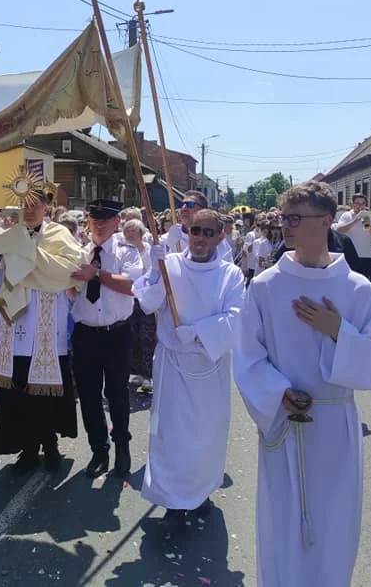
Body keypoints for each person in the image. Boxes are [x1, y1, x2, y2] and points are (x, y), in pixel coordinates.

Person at [234, 181, 371, 587]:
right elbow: (247, 356)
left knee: (333, 519)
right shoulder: (266, 286)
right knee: (284, 517)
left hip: (334, 423)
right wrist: (278, 394)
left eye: (295, 218)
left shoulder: (356, 288)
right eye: (282, 217)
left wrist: (339, 330)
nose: (285, 225)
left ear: (326, 221)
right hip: (285, 420)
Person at [134, 209, 244, 531]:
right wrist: (154, 272)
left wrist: (197, 331)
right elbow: (148, 304)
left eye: (208, 233)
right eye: (195, 230)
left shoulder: (230, 275)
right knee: (172, 436)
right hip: (173, 364)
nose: (200, 238)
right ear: (187, 231)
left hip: (210, 366)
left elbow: (237, 317)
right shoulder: (170, 266)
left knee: (205, 436)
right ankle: (174, 504)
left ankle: (200, 494)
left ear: (220, 237)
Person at [0, 187, 81, 474]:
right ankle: (26, 449)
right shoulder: (10, 236)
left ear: (46, 208)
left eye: (36, 205)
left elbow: (68, 269)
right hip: (16, 323)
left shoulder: (60, 235)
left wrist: (29, 254)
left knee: (45, 396)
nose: (30, 209)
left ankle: (49, 446)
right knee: (18, 393)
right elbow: (0, 277)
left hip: (47, 323)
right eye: (25, 204)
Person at [70, 199, 143, 478]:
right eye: (94, 218)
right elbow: (69, 289)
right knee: (88, 396)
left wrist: (97, 274)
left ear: (117, 222)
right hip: (85, 333)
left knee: (117, 395)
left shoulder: (126, 251)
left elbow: (132, 286)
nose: (99, 223)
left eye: (105, 219)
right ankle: (99, 450)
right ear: (88, 221)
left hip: (117, 332)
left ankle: (122, 446)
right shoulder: (78, 251)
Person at [123, 219, 157, 393]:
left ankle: (148, 374)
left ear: (141, 233)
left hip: (146, 299)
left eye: (133, 231)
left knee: (147, 336)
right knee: (132, 335)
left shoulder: (149, 251)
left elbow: (152, 274)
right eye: (127, 231)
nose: (129, 234)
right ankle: (136, 371)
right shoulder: (122, 251)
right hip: (128, 298)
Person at [333, 194, 371, 280]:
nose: (360, 206)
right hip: (350, 255)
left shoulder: (369, 216)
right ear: (352, 204)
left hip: (366, 256)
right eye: (357, 203)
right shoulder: (346, 215)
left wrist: (368, 223)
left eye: (363, 203)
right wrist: (354, 221)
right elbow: (339, 230)